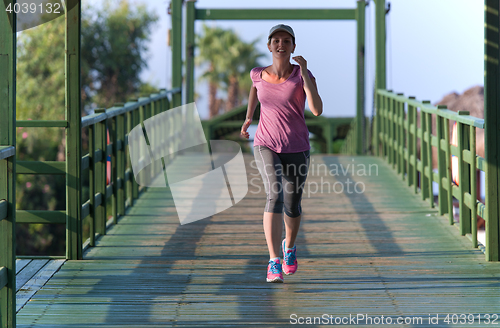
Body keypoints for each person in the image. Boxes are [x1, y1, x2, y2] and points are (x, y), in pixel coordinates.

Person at [240, 24, 323, 283]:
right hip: (265, 143)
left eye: (286, 41)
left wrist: (306, 75)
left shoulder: (302, 75)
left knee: (292, 205)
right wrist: (248, 118)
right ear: (269, 45)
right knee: (273, 195)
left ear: (293, 46)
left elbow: (317, 110)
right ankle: (273, 261)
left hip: (297, 147)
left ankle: (290, 248)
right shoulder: (257, 74)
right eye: (276, 40)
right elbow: (255, 90)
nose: (280, 44)